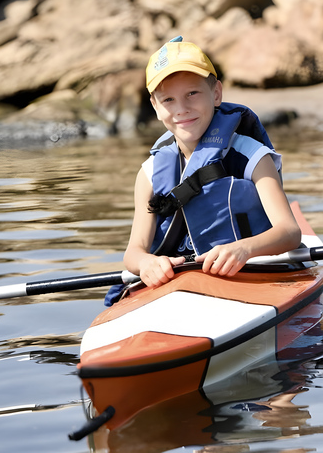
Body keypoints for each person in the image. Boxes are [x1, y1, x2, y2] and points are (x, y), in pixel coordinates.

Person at [106, 36, 301, 305]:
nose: (181, 109)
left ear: (216, 93)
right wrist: (147, 263)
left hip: (252, 273)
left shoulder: (251, 156)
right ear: (155, 107)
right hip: (179, 284)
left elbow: (290, 232)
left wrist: (244, 248)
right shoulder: (149, 173)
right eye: (168, 99)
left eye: (192, 94)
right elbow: (133, 252)